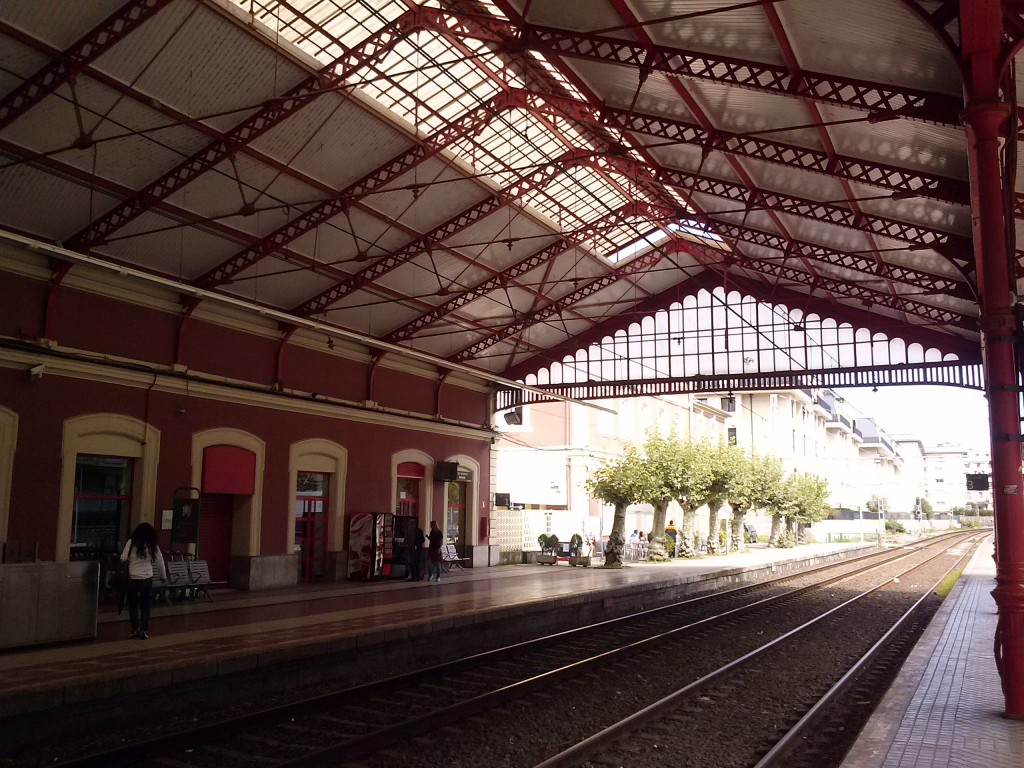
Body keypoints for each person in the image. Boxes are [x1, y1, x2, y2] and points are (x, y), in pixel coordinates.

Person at [119, 522, 167, 639]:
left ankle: (135, 629)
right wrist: (163, 576)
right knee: (145, 605)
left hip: (133, 578)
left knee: (133, 605)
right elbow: (159, 561)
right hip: (147, 578)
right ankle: (144, 631)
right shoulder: (152, 545)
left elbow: (123, 558)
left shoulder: (131, 543)